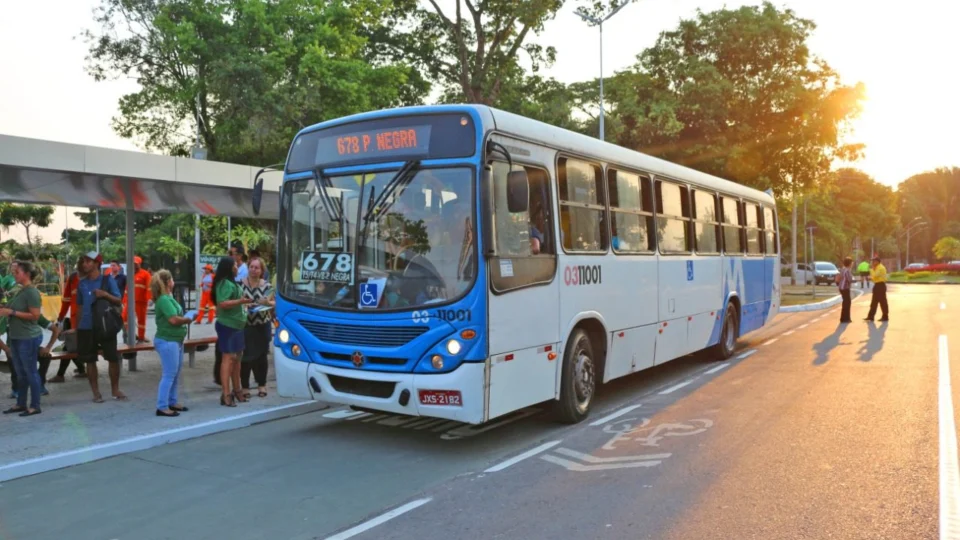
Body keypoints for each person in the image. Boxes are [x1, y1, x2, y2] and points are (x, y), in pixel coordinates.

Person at [76, 251, 126, 402]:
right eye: (83, 262)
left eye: (88, 261)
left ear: (97, 263)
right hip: (86, 326)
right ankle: (96, 393)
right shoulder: (82, 283)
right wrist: (77, 326)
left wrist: (104, 294)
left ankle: (115, 389)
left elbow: (118, 300)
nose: (85, 264)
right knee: (90, 360)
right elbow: (78, 306)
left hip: (105, 325)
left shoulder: (107, 280)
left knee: (112, 358)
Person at [0, 261, 45, 416]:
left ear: (26, 274)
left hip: (28, 338)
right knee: (21, 373)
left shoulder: (32, 292)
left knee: (30, 372)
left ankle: (35, 405)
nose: (14, 274)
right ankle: (21, 403)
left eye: (17, 272)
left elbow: (35, 316)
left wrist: (11, 313)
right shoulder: (20, 290)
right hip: (16, 337)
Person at [151, 269, 194, 417]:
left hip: (175, 341)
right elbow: (173, 320)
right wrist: (188, 319)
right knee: (169, 374)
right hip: (168, 340)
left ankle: (172, 401)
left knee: (174, 373)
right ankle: (162, 406)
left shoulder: (168, 297)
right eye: (172, 279)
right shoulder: (164, 299)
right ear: (169, 282)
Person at [213, 256, 252, 407]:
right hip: (228, 325)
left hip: (238, 326)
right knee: (228, 359)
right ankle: (226, 393)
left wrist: (245, 305)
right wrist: (241, 301)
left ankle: (237, 390)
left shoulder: (233, 283)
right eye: (235, 265)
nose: (237, 267)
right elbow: (222, 303)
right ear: (229, 268)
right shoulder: (224, 283)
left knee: (237, 359)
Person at [241, 257, 274, 399]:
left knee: (261, 356)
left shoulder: (267, 286)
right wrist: (245, 305)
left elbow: (274, 303)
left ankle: (262, 385)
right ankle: (245, 387)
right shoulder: (240, 284)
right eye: (251, 267)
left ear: (261, 270)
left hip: (262, 324)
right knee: (246, 357)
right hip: (246, 325)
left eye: (256, 268)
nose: (253, 270)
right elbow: (237, 302)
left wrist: (268, 302)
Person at [51, 258, 85, 381]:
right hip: (76, 321)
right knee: (70, 347)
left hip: (90, 323)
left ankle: (62, 375)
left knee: (70, 348)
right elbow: (66, 301)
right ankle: (80, 370)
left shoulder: (95, 279)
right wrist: (60, 318)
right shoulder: (72, 278)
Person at [122, 256, 152, 343]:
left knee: (141, 321)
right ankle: (130, 334)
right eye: (133, 264)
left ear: (139, 264)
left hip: (141, 301)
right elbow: (127, 289)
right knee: (123, 317)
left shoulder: (145, 274)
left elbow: (149, 287)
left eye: (136, 264)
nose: (134, 266)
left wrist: (150, 298)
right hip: (130, 301)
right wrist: (124, 300)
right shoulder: (131, 274)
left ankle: (141, 338)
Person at [864, 256, 889, 322]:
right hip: (877, 285)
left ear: (877, 261)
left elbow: (875, 275)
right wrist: (871, 276)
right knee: (874, 302)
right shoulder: (876, 267)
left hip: (881, 285)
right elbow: (874, 278)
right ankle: (870, 316)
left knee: (883, 302)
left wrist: (871, 271)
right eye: (872, 261)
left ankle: (885, 316)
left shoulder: (880, 268)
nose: (872, 262)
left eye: (874, 261)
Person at [836, 256, 854, 323]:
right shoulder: (847, 270)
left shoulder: (843, 269)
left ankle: (843, 318)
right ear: (849, 263)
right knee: (847, 303)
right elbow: (849, 279)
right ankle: (846, 318)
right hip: (845, 288)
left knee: (845, 303)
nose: (852, 264)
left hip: (841, 287)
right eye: (852, 263)